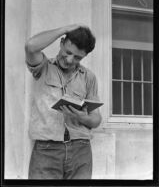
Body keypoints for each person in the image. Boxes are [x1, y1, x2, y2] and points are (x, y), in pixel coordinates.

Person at [25, 24, 102, 179]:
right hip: (46, 150)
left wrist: (83, 117)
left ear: (85, 56)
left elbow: (96, 119)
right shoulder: (43, 67)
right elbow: (31, 46)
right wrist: (65, 29)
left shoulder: (89, 77)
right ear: (61, 43)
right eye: (68, 52)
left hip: (81, 149)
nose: (69, 60)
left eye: (77, 57)